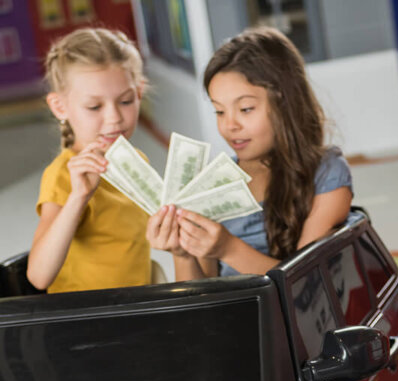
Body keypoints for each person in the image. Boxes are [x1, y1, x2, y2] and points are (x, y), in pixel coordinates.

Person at [147, 27, 352, 276]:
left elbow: (305, 285)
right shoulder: (212, 185)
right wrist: (183, 253)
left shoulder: (327, 174)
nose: (230, 125)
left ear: (286, 105)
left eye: (245, 109)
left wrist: (228, 248)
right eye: (220, 111)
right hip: (233, 313)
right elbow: (201, 299)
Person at [30, 29, 194, 292]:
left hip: (134, 308)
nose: (114, 118)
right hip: (89, 319)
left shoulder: (137, 161)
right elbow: (38, 276)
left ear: (139, 92)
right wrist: (78, 198)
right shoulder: (63, 176)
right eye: (95, 107)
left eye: (126, 101)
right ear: (60, 107)